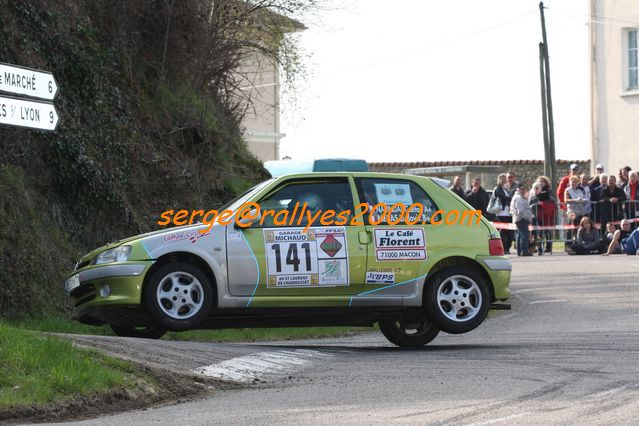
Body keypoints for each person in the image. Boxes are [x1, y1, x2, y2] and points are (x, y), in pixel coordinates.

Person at [510, 183, 534, 256]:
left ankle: (520, 251)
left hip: (519, 218)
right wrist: (528, 217)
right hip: (521, 219)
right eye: (522, 188)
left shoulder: (519, 197)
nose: (524, 190)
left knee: (520, 235)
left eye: (524, 189)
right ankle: (524, 250)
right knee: (524, 235)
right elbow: (521, 210)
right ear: (518, 189)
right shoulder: (518, 198)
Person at [564, 176, 588, 246]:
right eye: (572, 181)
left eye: (575, 182)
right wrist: (576, 200)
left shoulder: (581, 190)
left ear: (578, 183)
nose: (574, 183)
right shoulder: (567, 190)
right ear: (570, 182)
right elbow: (566, 200)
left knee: (582, 225)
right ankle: (568, 243)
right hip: (571, 211)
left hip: (580, 211)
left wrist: (583, 201)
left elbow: (584, 199)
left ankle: (579, 242)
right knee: (571, 225)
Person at [493, 174, 514, 254]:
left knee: (508, 232)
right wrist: (510, 199)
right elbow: (501, 197)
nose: (504, 180)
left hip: (508, 213)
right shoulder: (497, 188)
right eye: (502, 179)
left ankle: (507, 248)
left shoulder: (505, 189)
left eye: (505, 179)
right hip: (501, 213)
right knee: (503, 232)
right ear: (499, 180)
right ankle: (503, 248)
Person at [534, 176, 555, 254]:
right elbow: (534, 198)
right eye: (539, 181)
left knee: (547, 231)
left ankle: (548, 247)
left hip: (547, 214)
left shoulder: (548, 190)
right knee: (539, 232)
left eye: (542, 181)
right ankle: (539, 248)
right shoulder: (535, 189)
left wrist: (541, 200)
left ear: (545, 182)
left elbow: (545, 197)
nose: (540, 183)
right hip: (538, 213)